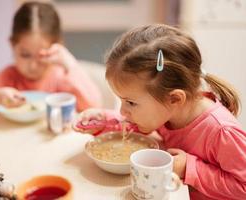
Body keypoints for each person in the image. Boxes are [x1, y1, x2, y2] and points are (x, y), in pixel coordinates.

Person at [74, 24, 246, 199]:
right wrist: (103, 120)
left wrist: (189, 168)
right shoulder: (166, 112)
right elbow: (137, 127)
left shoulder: (222, 132)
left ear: (174, 99)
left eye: (130, 102)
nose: (123, 111)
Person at [0, 1, 101, 117]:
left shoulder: (62, 78)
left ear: (57, 48)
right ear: (12, 45)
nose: (33, 65)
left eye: (42, 56)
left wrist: (70, 64)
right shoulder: (7, 78)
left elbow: (95, 108)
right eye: (25, 55)